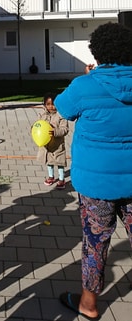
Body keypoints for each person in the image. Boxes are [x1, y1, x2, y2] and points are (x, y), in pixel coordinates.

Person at [55, 22, 132, 320]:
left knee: (95, 244)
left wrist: (90, 79)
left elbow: (62, 108)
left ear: (97, 52)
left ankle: (88, 304)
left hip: (96, 184)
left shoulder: (84, 86)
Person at [36, 92, 69, 190]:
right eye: (48, 104)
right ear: (45, 105)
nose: (51, 107)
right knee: (49, 162)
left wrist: (55, 131)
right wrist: (33, 128)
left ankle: (61, 179)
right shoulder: (42, 115)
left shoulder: (61, 116)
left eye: (53, 104)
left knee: (59, 163)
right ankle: (51, 176)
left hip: (57, 144)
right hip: (46, 145)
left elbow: (65, 129)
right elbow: (38, 125)